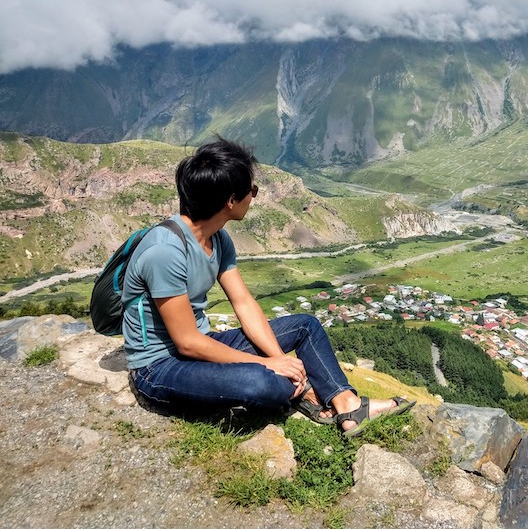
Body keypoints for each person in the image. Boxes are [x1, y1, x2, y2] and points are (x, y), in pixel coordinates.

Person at [122, 137, 413, 437]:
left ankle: (347, 404)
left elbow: (244, 304)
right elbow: (187, 343)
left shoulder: (218, 239)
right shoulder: (165, 251)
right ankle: (302, 395)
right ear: (231, 201)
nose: (254, 197)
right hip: (160, 366)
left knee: (306, 326)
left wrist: (281, 359)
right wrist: (272, 367)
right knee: (263, 383)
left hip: (202, 343)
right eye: (253, 191)